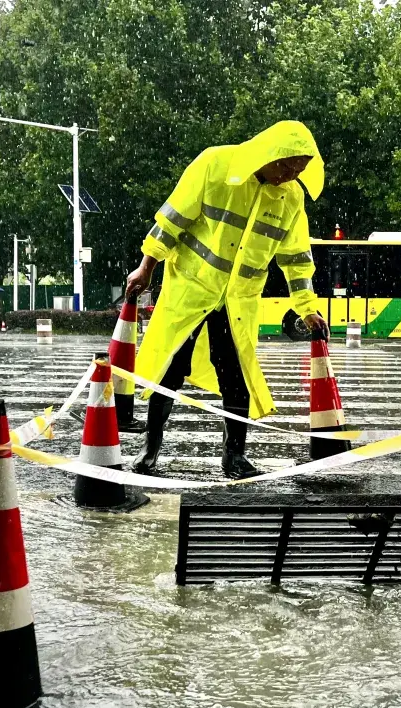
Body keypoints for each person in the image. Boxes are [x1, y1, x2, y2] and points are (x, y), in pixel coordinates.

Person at [125, 120, 329, 480]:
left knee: (237, 378)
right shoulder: (214, 165)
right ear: (269, 153)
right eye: (285, 166)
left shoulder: (292, 198)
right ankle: (150, 450)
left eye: (297, 171)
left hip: (238, 302)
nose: (288, 176)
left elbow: (296, 257)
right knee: (169, 371)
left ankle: (234, 456)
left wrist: (307, 306)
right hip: (192, 290)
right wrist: (146, 267)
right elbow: (172, 219)